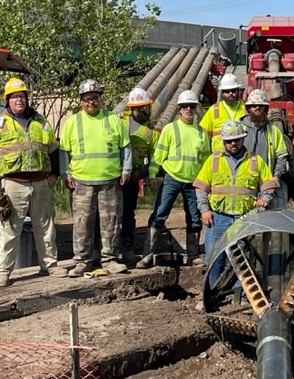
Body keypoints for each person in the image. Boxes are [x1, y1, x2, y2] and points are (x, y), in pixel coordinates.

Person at [0, 77, 65, 287]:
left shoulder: (41, 122)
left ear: (27, 98)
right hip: (13, 183)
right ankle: (3, 271)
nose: (19, 100)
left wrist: (55, 172)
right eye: (14, 97)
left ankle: (49, 265)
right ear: (7, 100)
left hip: (41, 182)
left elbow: (53, 150)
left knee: (46, 225)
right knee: (9, 228)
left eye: (22, 96)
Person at [59, 79, 132, 277]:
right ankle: (82, 261)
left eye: (95, 97)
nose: (92, 102)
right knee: (82, 224)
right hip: (82, 183)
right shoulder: (73, 122)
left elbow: (125, 147)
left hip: (110, 182)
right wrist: (65, 174)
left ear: (100, 98)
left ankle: (110, 259)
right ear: (81, 101)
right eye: (87, 98)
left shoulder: (113, 119)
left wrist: (126, 169)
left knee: (111, 223)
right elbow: (64, 151)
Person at [193, 120, 277, 287]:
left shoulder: (256, 160)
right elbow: (201, 187)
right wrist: (204, 210)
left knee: (243, 261)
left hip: (244, 219)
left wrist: (265, 198)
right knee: (214, 259)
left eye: (236, 140)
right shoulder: (214, 160)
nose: (233, 143)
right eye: (229, 140)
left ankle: (239, 298)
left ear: (243, 139)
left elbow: (268, 184)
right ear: (223, 141)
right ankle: (211, 295)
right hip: (217, 219)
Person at [137, 90, 211, 269]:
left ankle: (193, 255)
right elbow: (159, 154)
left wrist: (207, 182)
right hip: (172, 178)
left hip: (193, 182)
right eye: (185, 106)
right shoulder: (170, 129)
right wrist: (153, 173)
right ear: (179, 109)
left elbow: (206, 160)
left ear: (195, 109)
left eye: (191, 106)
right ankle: (148, 254)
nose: (188, 109)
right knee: (159, 214)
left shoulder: (201, 133)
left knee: (194, 218)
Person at [119, 88, 160, 265]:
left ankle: (127, 249)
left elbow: (155, 159)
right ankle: (108, 251)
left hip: (132, 179)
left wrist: (142, 173)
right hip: (114, 176)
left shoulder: (152, 131)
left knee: (128, 214)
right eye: (137, 108)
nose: (141, 111)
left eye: (144, 107)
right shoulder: (119, 123)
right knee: (109, 216)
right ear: (131, 109)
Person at [240, 88, 290, 208]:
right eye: (254, 105)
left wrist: (276, 177)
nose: (257, 108)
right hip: (244, 184)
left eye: (260, 106)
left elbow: (281, 157)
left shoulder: (274, 131)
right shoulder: (240, 129)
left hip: (267, 184)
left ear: (266, 109)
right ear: (248, 109)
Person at [199, 73, 246, 152]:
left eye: (233, 90)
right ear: (222, 93)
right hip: (219, 158)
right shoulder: (214, 110)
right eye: (227, 91)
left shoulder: (245, 109)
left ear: (238, 91)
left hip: (241, 156)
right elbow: (203, 137)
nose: (230, 94)